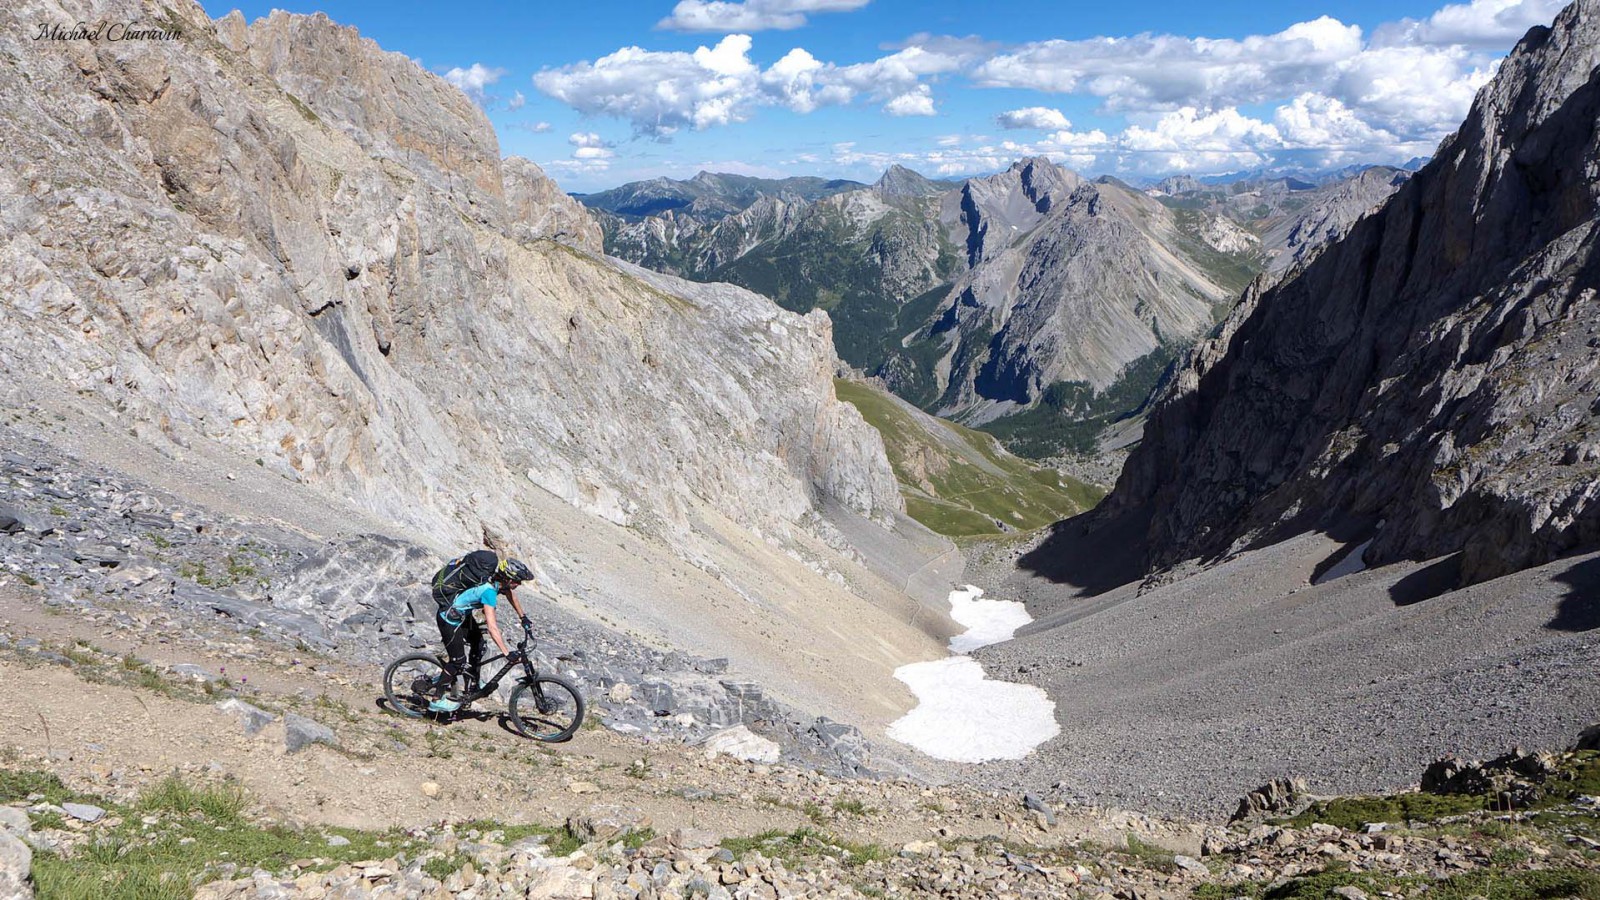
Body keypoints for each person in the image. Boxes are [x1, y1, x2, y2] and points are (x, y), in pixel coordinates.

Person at [427, 550, 535, 713]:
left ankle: (474, 684)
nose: (518, 585)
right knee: (457, 661)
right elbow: (492, 627)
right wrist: (506, 653)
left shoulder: (497, 582)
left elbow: (510, 595)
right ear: (507, 578)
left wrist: (523, 617)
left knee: (479, 645)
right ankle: (436, 700)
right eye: (516, 581)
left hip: (461, 617)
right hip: (449, 620)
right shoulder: (489, 591)